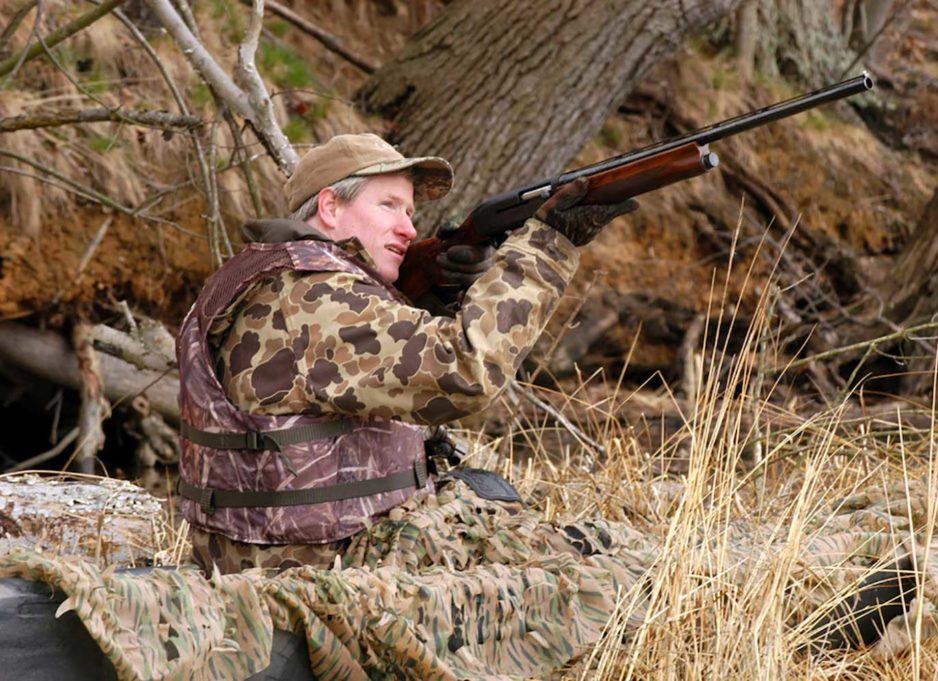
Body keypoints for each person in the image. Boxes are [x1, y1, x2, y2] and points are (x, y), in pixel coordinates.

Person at [174, 132, 638, 574]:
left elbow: (351, 373)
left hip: (288, 551)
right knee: (610, 566)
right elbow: (467, 370)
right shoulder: (313, 299)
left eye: (410, 211)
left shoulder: (275, 278)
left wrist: (435, 299)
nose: (409, 228)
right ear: (330, 206)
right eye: (388, 206)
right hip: (318, 570)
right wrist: (546, 246)